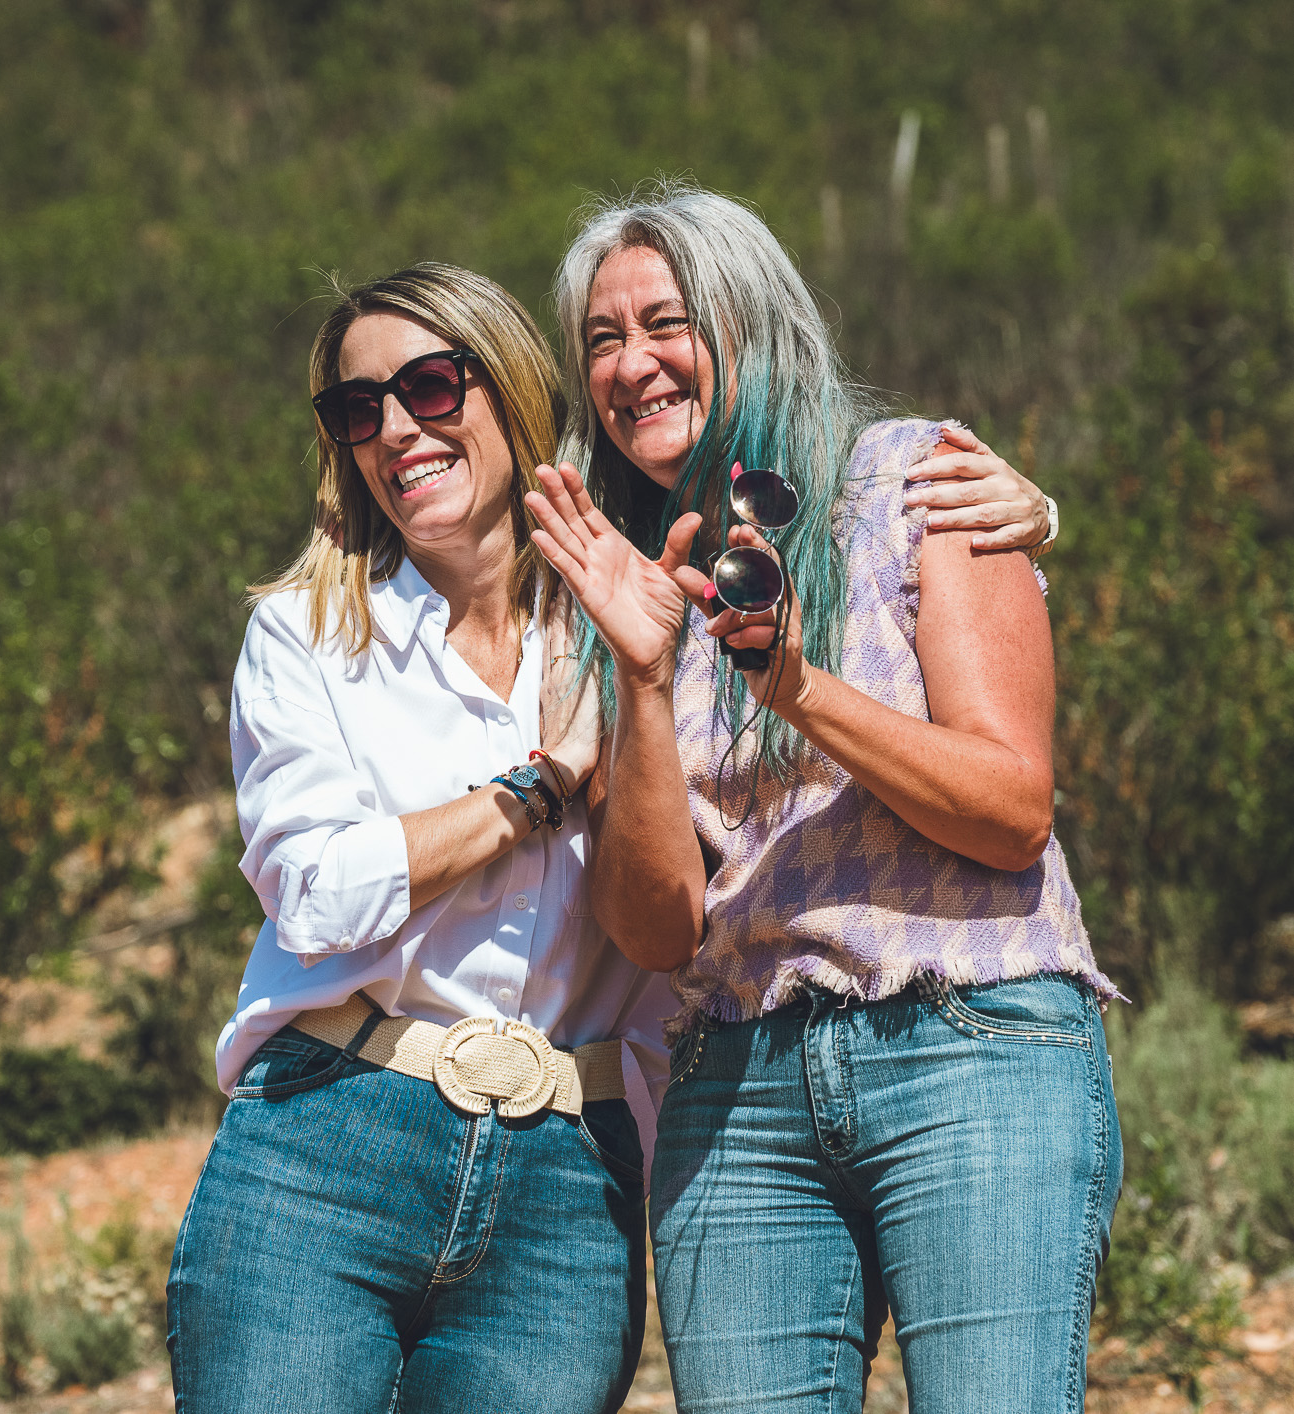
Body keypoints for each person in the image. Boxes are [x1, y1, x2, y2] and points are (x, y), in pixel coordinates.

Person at [163, 254, 1059, 1414]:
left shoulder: (628, 606)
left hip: (565, 1169)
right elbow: (322, 894)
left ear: (511, 396)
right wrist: (541, 789)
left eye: (433, 387)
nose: (395, 429)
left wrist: (1041, 515)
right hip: (330, 1135)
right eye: (356, 409)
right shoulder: (305, 633)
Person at [525, 181, 1119, 1412]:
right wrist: (641, 678)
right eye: (600, 339)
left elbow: (1012, 807)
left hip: (974, 1044)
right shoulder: (619, 586)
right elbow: (655, 932)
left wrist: (793, 684)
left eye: (663, 323)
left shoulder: (915, 483)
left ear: (752, 320)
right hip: (734, 1087)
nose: (631, 364)